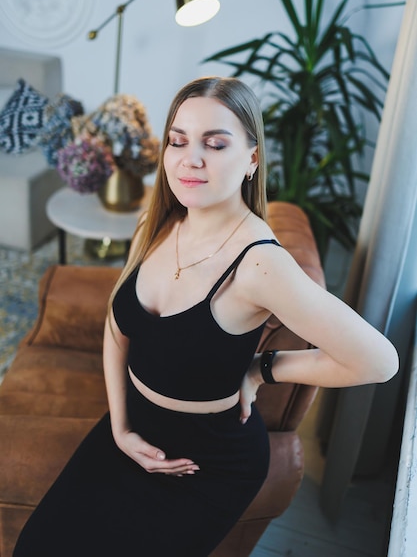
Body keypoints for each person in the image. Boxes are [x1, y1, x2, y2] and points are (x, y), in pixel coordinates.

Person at [13, 76, 399, 557]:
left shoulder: (260, 264)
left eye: (215, 144)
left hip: (204, 465)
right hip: (130, 430)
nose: (190, 158)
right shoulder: (157, 222)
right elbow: (117, 331)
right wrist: (120, 427)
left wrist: (264, 368)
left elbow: (379, 362)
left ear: (252, 159)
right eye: (178, 141)